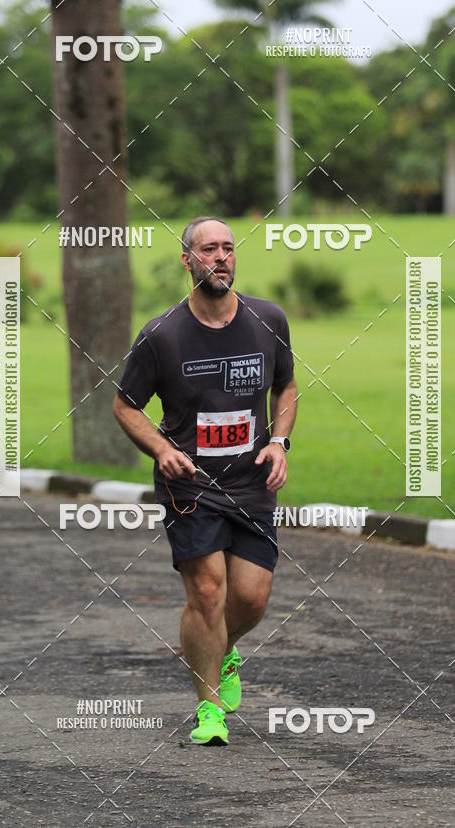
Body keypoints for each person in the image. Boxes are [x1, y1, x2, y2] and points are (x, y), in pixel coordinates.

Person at [113, 216, 297, 746]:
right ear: (187, 260)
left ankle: (222, 651)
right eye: (208, 249)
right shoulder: (161, 334)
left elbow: (286, 387)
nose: (221, 257)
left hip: (253, 480)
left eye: (228, 248)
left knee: (252, 599)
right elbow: (126, 406)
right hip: (189, 484)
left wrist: (278, 442)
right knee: (209, 591)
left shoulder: (268, 319)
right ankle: (208, 708)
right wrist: (162, 449)